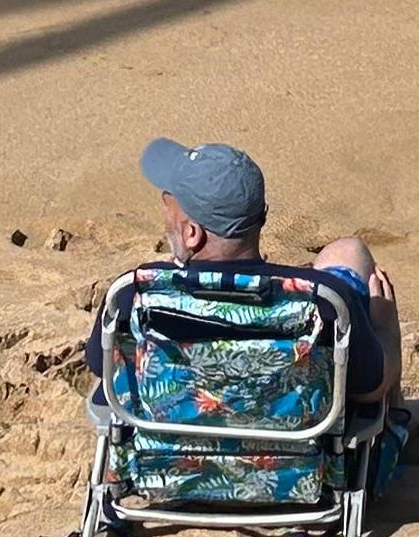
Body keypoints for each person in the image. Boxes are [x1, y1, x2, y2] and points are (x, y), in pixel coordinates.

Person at [133, 136, 401, 421]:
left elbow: (103, 368)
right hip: (295, 461)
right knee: (349, 252)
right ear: (263, 215)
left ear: (192, 234)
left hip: (166, 458)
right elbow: (369, 387)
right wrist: (385, 325)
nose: (163, 212)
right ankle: (400, 419)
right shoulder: (322, 300)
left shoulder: (138, 293)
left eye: (167, 203)